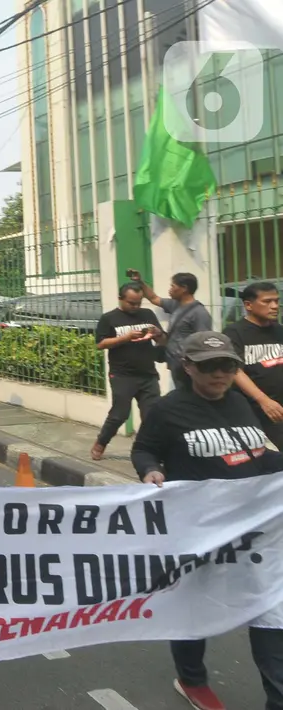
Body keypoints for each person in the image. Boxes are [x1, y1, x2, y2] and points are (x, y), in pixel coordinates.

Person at [131, 331, 283, 710]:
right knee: (194, 608)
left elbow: (260, 453)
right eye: (210, 367)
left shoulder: (240, 402)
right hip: (198, 529)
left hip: (255, 530)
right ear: (188, 367)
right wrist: (150, 471)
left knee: (270, 611)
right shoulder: (168, 409)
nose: (220, 374)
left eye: (228, 366)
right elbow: (144, 448)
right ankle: (192, 680)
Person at [91, 283, 166, 461]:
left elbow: (162, 339)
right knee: (120, 414)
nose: (136, 307)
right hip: (122, 375)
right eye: (131, 303)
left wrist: (157, 333)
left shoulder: (147, 314)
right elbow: (100, 344)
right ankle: (101, 442)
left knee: (152, 414)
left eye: (139, 303)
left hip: (147, 374)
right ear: (121, 299)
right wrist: (126, 337)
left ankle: (150, 450)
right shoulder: (109, 318)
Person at [127, 270, 212, 389]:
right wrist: (139, 281)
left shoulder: (199, 313)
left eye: (173, 286)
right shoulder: (175, 305)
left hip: (188, 369)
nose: (170, 289)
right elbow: (153, 298)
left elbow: (204, 343)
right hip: (175, 365)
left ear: (184, 288)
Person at [224, 281, 283, 449]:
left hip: (278, 406)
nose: (274, 306)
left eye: (276, 301)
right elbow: (235, 370)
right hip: (250, 408)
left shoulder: (279, 331)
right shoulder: (235, 332)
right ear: (248, 305)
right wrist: (263, 400)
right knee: (249, 455)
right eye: (267, 301)